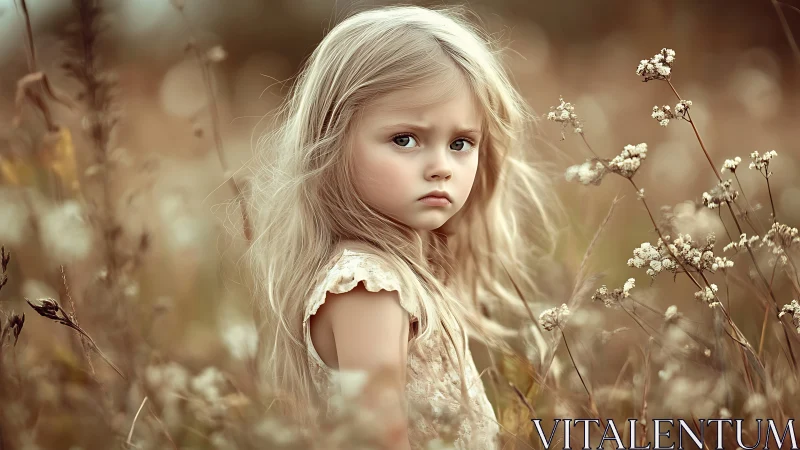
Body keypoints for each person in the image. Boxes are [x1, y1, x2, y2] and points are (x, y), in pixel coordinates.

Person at [244, 4, 557, 449]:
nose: (441, 167)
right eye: (405, 139)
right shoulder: (367, 288)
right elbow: (376, 440)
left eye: (461, 143)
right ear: (333, 140)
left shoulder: (397, 273)